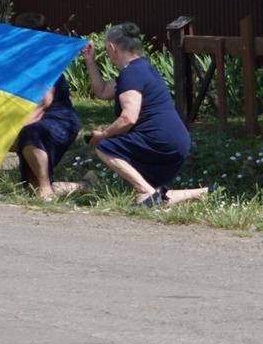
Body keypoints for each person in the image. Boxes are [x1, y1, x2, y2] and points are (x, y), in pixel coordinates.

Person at [82, 23, 208, 207]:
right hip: (176, 141)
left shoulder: (131, 74)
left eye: (106, 50)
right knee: (157, 195)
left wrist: (103, 135)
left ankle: (144, 191)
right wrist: (89, 61)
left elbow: (128, 118)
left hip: (159, 140)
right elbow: (102, 91)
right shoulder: (140, 68)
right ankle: (202, 193)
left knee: (105, 147)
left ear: (112, 48)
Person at [12, 13, 82, 200]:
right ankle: (84, 185)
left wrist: (19, 125)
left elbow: (45, 102)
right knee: (30, 190)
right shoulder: (22, 60)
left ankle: (46, 189)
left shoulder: (45, 60)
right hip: (39, 118)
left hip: (58, 119)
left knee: (28, 133)